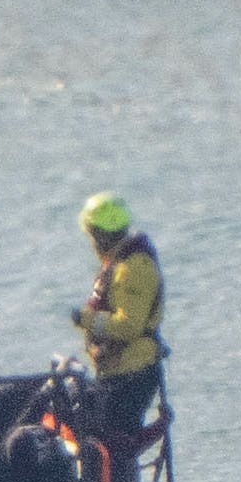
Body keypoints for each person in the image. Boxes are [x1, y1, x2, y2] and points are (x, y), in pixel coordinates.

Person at [70, 192, 167, 460]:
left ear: (99, 235)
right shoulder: (119, 263)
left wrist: (86, 319)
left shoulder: (131, 269)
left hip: (133, 373)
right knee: (110, 442)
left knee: (118, 447)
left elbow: (128, 326)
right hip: (119, 370)